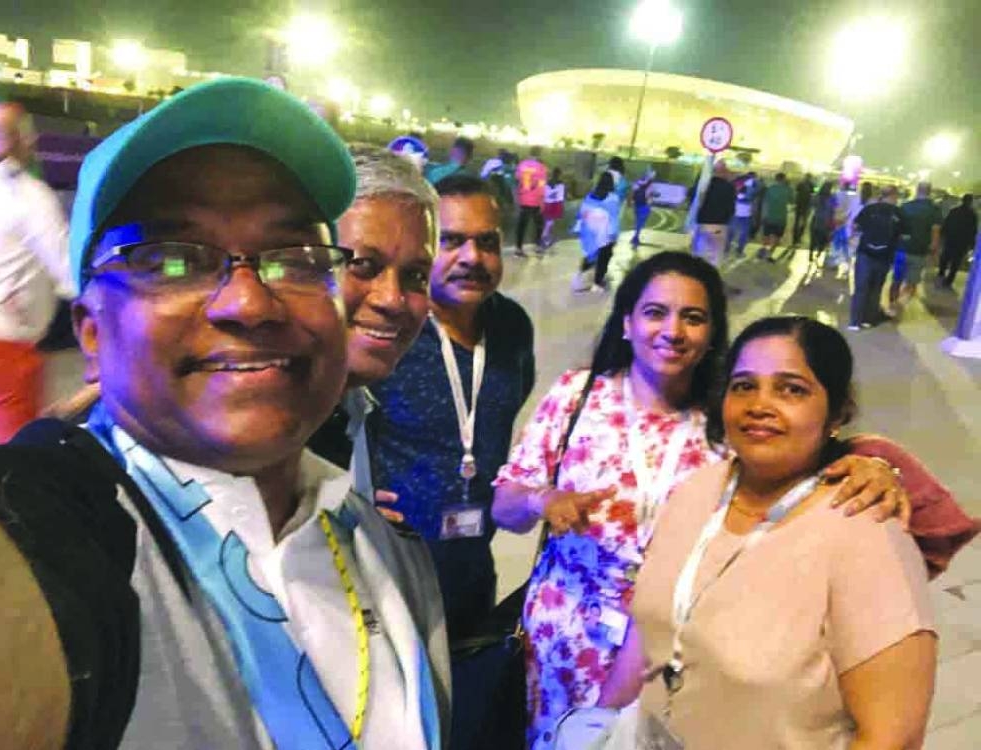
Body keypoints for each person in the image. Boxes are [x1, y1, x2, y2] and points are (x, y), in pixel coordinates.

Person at [0, 78, 449, 750]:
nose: (248, 303)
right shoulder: (65, 536)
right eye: (172, 259)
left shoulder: (391, 558)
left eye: (294, 258)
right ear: (91, 333)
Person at [491, 252, 939, 750]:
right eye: (655, 312)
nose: (673, 330)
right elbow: (505, 501)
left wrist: (872, 462)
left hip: (693, 645)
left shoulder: (729, 424)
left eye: (694, 317)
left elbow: (802, 457)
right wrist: (541, 499)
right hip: (571, 637)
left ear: (712, 335)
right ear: (626, 321)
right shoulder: (581, 396)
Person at [608, 316, 937, 750]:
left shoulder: (864, 532)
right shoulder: (696, 492)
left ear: (838, 412)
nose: (760, 404)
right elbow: (648, 632)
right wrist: (599, 719)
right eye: (744, 385)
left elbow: (893, 736)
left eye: (792, 389)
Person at [366, 172, 535, 642]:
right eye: (452, 241)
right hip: (386, 569)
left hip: (471, 566)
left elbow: (506, 412)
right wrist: (350, 492)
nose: (472, 258)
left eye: (487, 242)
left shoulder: (513, 328)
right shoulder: (390, 326)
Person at [306, 147, 438, 506]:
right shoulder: (243, 440)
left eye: (415, 276)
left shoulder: (352, 408)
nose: (392, 299)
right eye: (363, 265)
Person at [0, 100, 74, 445]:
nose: (33, 142)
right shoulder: (30, 196)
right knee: (11, 460)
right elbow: (67, 269)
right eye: (28, 133)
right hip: (2, 348)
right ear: (14, 140)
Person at [848, 185, 905, 331]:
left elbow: (856, 226)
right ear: (894, 196)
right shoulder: (898, 213)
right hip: (885, 256)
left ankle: (855, 322)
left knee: (861, 288)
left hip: (865, 253)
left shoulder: (869, 209)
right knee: (876, 288)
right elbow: (905, 235)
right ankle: (868, 319)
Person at [892, 182, 942, 309]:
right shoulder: (934, 209)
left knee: (896, 281)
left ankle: (892, 305)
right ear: (930, 192)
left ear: (917, 190)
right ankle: (899, 304)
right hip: (919, 251)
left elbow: (896, 227)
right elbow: (935, 231)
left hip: (901, 249)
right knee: (912, 283)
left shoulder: (905, 206)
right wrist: (934, 251)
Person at [572, 171, 621, 293]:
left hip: (590, 230)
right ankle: (597, 283)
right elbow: (613, 217)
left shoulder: (591, 195)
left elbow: (583, 212)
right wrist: (613, 234)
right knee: (604, 257)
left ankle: (579, 276)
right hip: (604, 232)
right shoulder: (613, 198)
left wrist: (579, 227)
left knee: (591, 254)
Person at [690, 159, 736, 267]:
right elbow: (731, 208)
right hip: (719, 225)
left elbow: (693, 197)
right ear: (723, 172)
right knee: (713, 257)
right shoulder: (729, 187)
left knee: (699, 254)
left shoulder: (704, 184)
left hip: (702, 222)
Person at [937, 193, 978, 289]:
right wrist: (972, 245)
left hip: (951, 239)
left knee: (945, 257)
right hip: (962, 242)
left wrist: (943, 235)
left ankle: (941, 273)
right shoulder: (972, 215)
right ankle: (949, 279)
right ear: (970, 202)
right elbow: (973, 231)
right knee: (956, 262)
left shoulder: (954, 211)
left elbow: (946, 223)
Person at [514, 147, 548, 257]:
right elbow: (541, 186)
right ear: (539, 154)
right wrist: (542, 201)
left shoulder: (522, 165)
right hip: (535, 200)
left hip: (523, 198)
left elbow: (517, 179)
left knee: (522, 225)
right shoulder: (541, 168)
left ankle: (518, 248)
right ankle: (538, 246)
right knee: (539, 224)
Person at [757, 172, 791, 261]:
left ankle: (763, 251)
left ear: (775, 179)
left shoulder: (770, 189)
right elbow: (792, 201)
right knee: (777, 237)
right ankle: (769, 254)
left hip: (769, 217)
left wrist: (763, 215)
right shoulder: (787, 190)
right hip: (781, 218)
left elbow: (765, 203)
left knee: (766, 235)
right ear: (784, 179)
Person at [807, 181, 836, 275]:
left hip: (816, 220)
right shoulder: (832, 198)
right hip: (826, 222)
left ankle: (811, 254)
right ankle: (819, 253)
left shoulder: (817, 196)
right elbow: (834, 210)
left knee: (813, 238)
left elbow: (811, 204)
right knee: (823, 240)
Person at [728, 172, 756, 257]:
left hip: (737, 212)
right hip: (744, 214)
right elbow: (749, 197)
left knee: (732, 232)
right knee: (743, 233)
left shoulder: (736, 184)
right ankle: (739, 250)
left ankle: (727, 248)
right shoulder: (749, 185)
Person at [629, 168, 656, 248]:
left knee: (638, 222)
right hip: (645, 205)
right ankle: (636, 237)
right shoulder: (650, 184)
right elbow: (650, 194)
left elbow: (632, 192)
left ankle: (635, 236)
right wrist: (655, 195)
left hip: (637, 204)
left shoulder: (638, 182)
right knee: (640, 223)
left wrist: (630, 201)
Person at [541, 167, 566, 249]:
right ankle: (545, 238)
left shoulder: (547, 183)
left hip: (547, 203)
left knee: (548, 221)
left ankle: (546, 237)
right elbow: (561, 196)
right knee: (550, 222)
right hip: (555, 204)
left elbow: (544, 193)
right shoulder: (561, 184)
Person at [791, 172, 814, 247]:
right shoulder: (811, 184)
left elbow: (796, 192)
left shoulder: (801, 184)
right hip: (805, 206)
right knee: (803, 222)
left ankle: (795, 238)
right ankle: (799, 237)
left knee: (797, 222)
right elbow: (812, 193)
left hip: (800, 205)